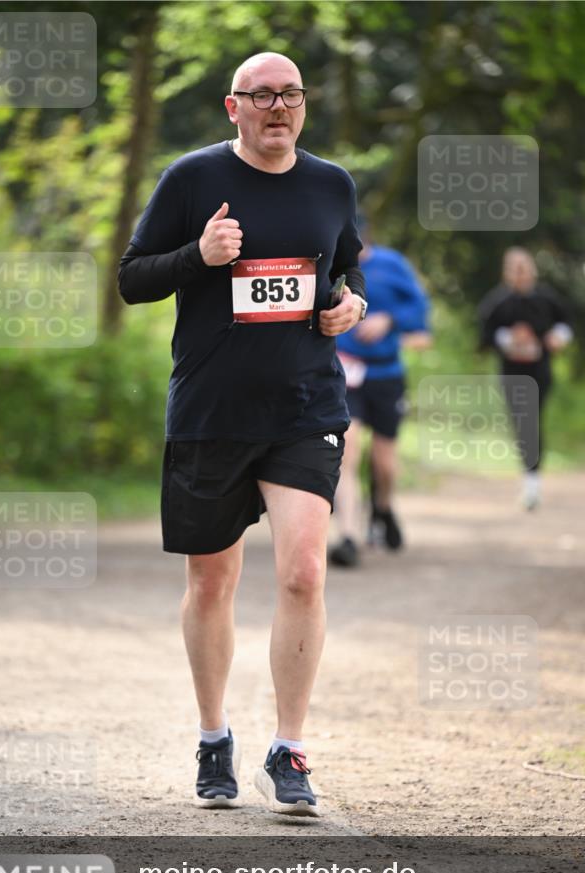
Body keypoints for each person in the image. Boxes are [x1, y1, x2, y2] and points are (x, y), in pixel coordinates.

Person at [118, 52, 367, 817]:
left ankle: (287, 749)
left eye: (289, 94)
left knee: (302, 574)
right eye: (260, 96)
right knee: (211, 582)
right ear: (234, 108)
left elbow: (347, 273)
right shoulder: (191, 180)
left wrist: (346, 306)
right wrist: (199, 255)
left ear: (303, 104)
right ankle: (212, 736)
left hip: (303, 406)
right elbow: (132, 279)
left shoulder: (330, 184)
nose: (276, 108)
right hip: (211, 412)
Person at [329, 226, 431, 568]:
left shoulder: (393, 265)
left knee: (384, 462)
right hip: (347, 373)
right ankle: (348, 536)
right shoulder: (329, 264)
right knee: (349, 451)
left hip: (386, 374)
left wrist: (389, 320)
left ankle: (383, 510)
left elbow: (419, 308)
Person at [478, 248, 573, 509]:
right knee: (523, 421)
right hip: (512, 373)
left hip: (540, 371)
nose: (520, 273)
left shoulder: (546, 297)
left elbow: (566, 323)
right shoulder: (497, 301)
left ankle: (533, 482)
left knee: (533, 419)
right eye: (514, 268)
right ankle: (530, 481)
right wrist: (509, 338)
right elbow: (485, 334)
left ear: (532, 269)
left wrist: (558, 338)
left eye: (524, 267)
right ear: (507, 272)